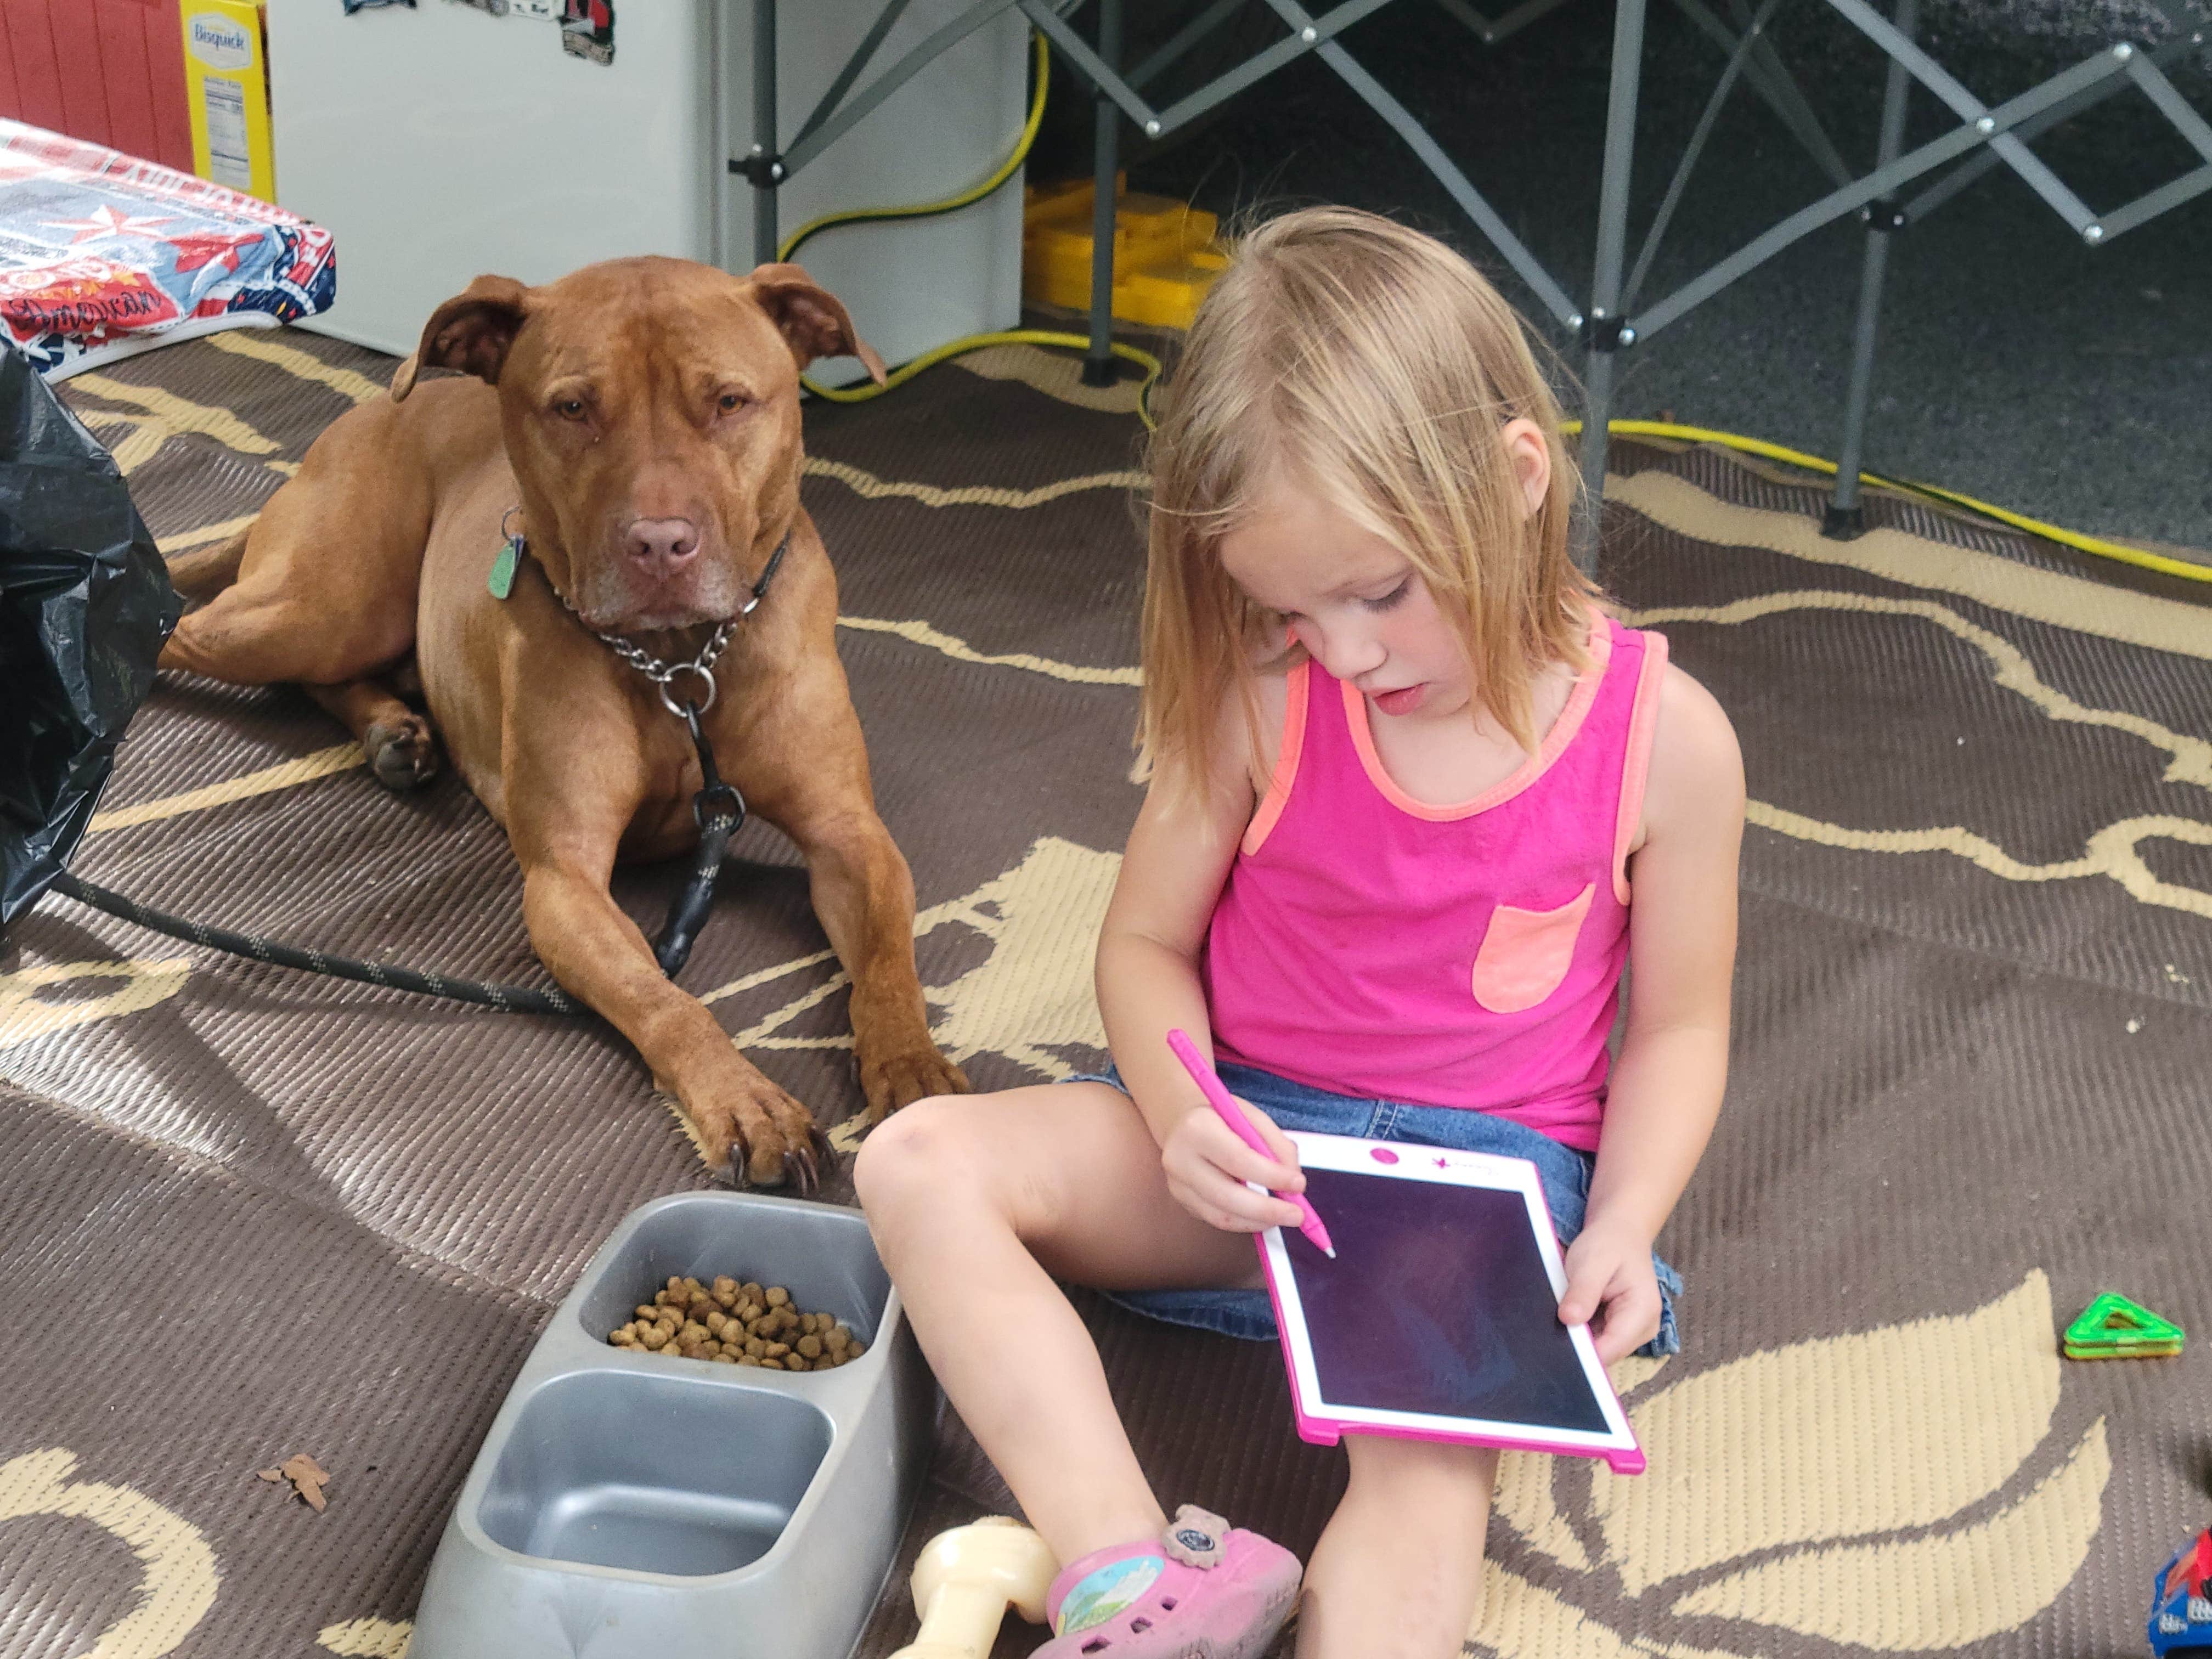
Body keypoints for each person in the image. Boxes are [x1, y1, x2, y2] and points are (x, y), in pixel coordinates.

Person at [857, 205, 1745, 1659]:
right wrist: (1181, 1108)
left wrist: (1630, 1222)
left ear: (1516, 476)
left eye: (1381, 592)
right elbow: (1144, 949)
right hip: (1248, 1147)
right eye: (1289, 605)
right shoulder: (1266, 697)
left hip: (1478, 1191)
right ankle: (1132, 1579)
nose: (1344, 650)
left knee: (1428, 1470)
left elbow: (1682, 1027)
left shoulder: (1669, 743)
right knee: (916, 1159)